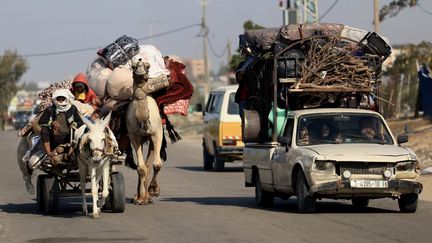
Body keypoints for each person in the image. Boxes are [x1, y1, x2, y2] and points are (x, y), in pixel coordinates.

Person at [37, 89, 84, 166]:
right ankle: (49, 154)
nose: (61, 101)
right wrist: (51, 123)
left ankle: (70, 155)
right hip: (54, 138)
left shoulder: (72, 109)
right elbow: (41, 122)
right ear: (55, 100)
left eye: (63, 99)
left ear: (66, 99)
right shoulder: (50, 109)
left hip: (69, 137)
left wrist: (74, 124)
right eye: (59, 99)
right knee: (44, 130)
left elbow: (80, 123)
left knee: (78, 134)